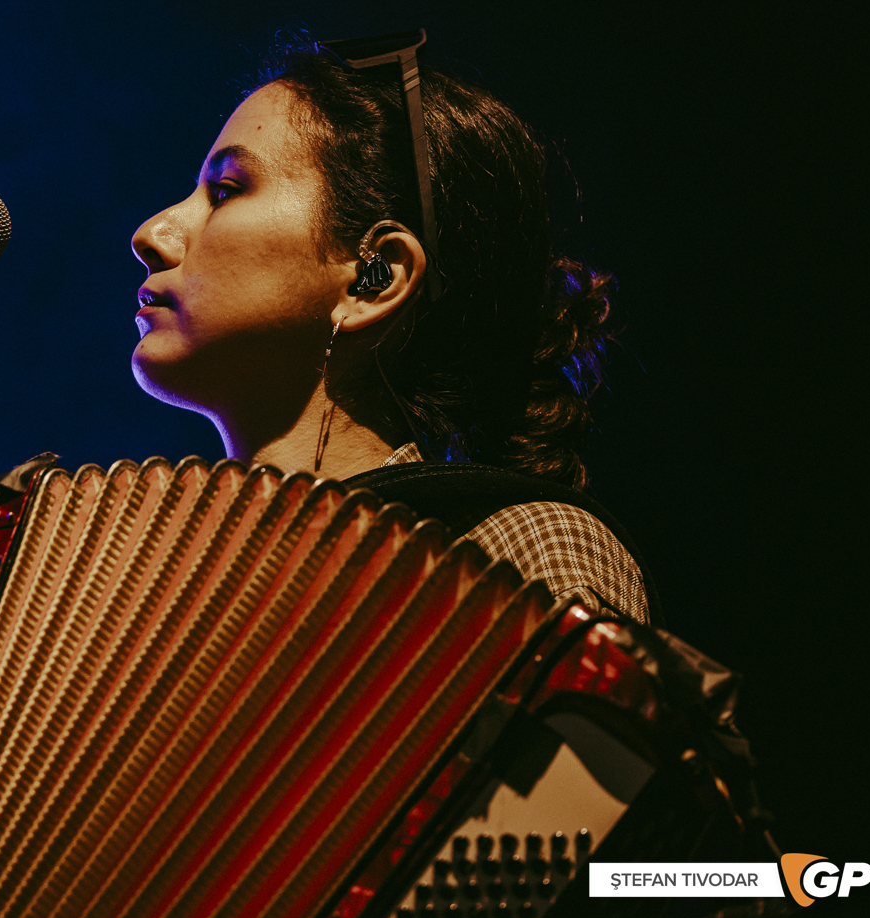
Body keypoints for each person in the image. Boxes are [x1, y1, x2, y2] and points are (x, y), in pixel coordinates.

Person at [129, 34, 654, 623]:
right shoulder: (147, 577)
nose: (150, 234)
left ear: (373, 281)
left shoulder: (507, 550)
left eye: (225, 191)